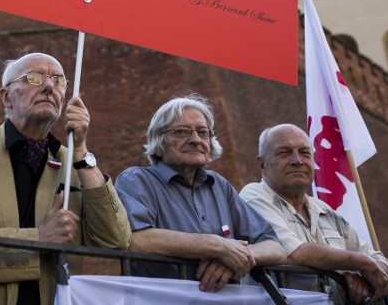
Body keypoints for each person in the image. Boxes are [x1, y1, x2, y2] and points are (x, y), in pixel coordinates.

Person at [0, 52, 131, 305]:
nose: (49, 86)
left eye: (59, 81)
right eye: (34, 78)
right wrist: (39, 239)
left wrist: (81, 152)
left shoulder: (73, 164)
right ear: (6, 96)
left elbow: (115, 239)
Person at [115, 94, 286, 292]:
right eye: (181, 132)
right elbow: (134, 239)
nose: (195, 140)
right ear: (159, 143)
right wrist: (216, 245)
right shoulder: (137, 180)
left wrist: (236, 255)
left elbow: (276, 248)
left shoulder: (219, 185)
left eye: (203, 132)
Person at [239, 124, 388, 304]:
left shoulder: (325, 210)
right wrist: (361, 264)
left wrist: (367, 278)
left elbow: (378, 259)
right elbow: (292, 253)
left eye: (305, 153)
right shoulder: (253, 196)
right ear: (262, 164)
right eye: (285, 153)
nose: (297, 160)